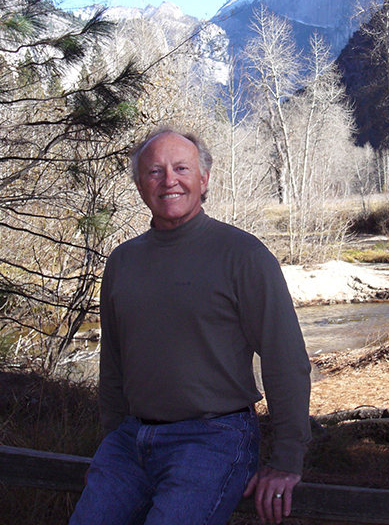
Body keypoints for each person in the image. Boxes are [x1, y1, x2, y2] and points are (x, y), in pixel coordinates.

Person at [70, 128, 311, 525]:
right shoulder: (122, 262)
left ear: (204, 178)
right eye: (154, 171)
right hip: (130, 442)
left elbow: (285, 359)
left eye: (181, 168)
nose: (169, 180)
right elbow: (113, 365)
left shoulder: (244, 256)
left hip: (213, 440)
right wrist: (111, 443)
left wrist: (286, 459)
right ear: (139, 184)